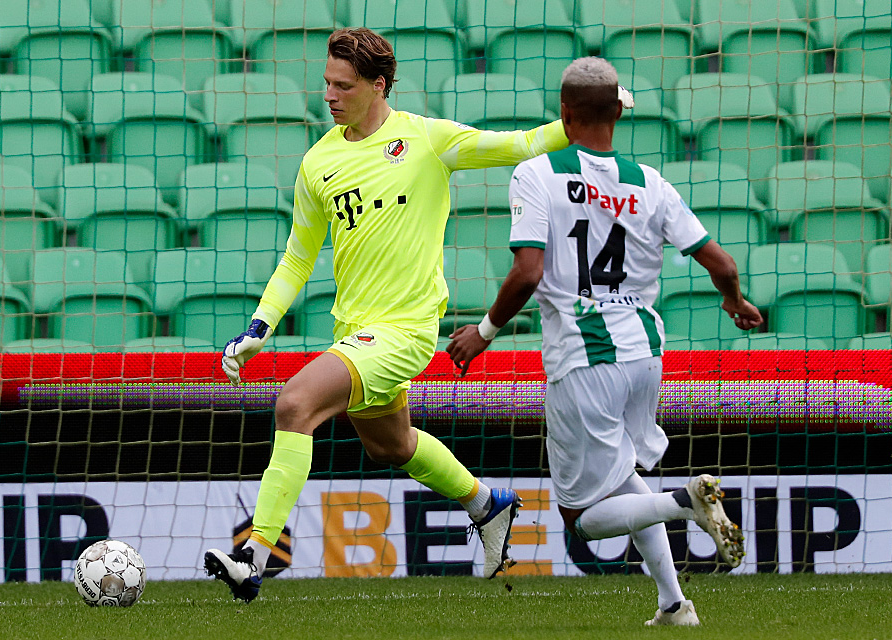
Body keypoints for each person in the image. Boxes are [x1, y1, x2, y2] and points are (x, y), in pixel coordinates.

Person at [204, 27, 577, 602]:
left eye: (343, 86)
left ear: (379, 85)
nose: (329, 95)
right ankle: (489, 505)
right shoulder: (318, 161)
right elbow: (298, 257)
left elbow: (523, 144)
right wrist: (261, 325)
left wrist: (586, 116)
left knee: (295, 404)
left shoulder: (427, 140)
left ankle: (252, 557)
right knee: (391, 446)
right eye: (327, 83)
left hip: (406, 330)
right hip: (355, 330)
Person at [447, 57, 763, 626]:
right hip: (645, 356)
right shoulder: (651, 182)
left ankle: (685, 503)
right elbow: (721, 263)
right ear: (618, 112)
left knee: (583, 518)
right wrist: (734, 301)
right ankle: (673, 603)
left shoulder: (536, 174)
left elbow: (528, 272)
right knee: (624, 480)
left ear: (564, 114)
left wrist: (484, 332)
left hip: (583, 358)